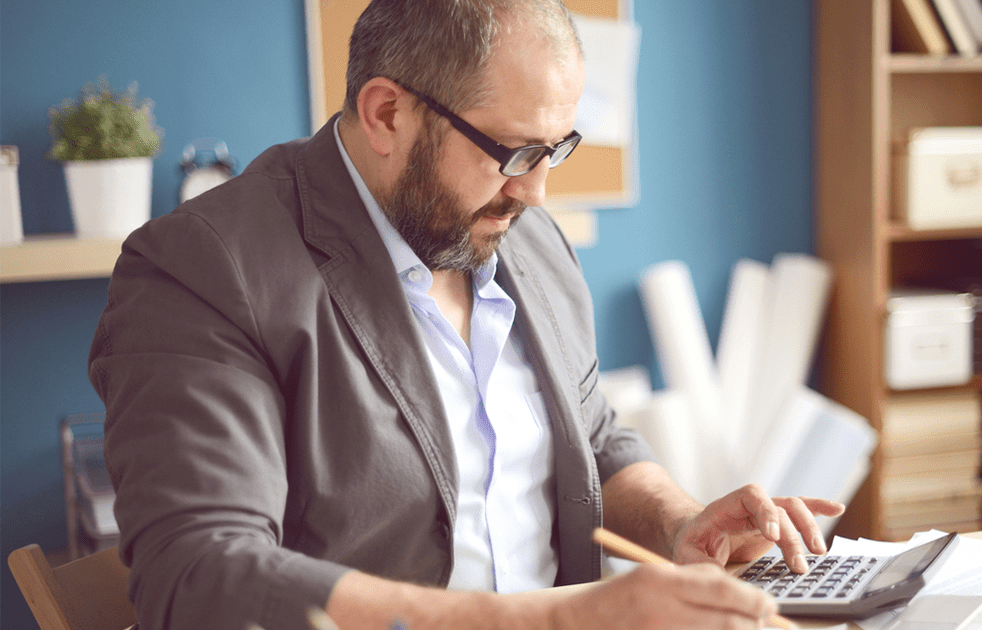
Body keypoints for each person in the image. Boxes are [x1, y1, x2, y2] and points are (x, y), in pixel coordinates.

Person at [88, 1, 845, 628]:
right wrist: (555, 619)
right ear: (386, 113)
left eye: (558, 149)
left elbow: (590, 434)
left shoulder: (526, 238)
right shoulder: (203, 268)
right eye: (514, 153)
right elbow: (199, 573)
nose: (538, 192)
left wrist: (682, 524)